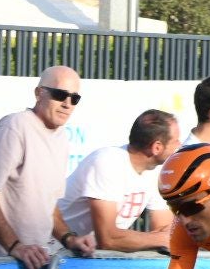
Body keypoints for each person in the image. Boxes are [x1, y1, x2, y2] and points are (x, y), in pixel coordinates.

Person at [0, 66, 79, 269]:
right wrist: (15, 246)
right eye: (60, 95)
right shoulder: (14, 126)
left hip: (40, 260)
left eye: (75, 98)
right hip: (2, 263)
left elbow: (49, 205)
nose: (67, 104)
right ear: (39, 93)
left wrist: (69, 239)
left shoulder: (62, 137)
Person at [54, 108, 179, 255]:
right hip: (51, 254)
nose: (179, 145)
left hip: (85, 258)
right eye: (175, 141)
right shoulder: (107, 162)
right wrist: (160, 239)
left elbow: (166, 230)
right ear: (156, 147)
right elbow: (108, 239)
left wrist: (161, 239)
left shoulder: (157, 172)